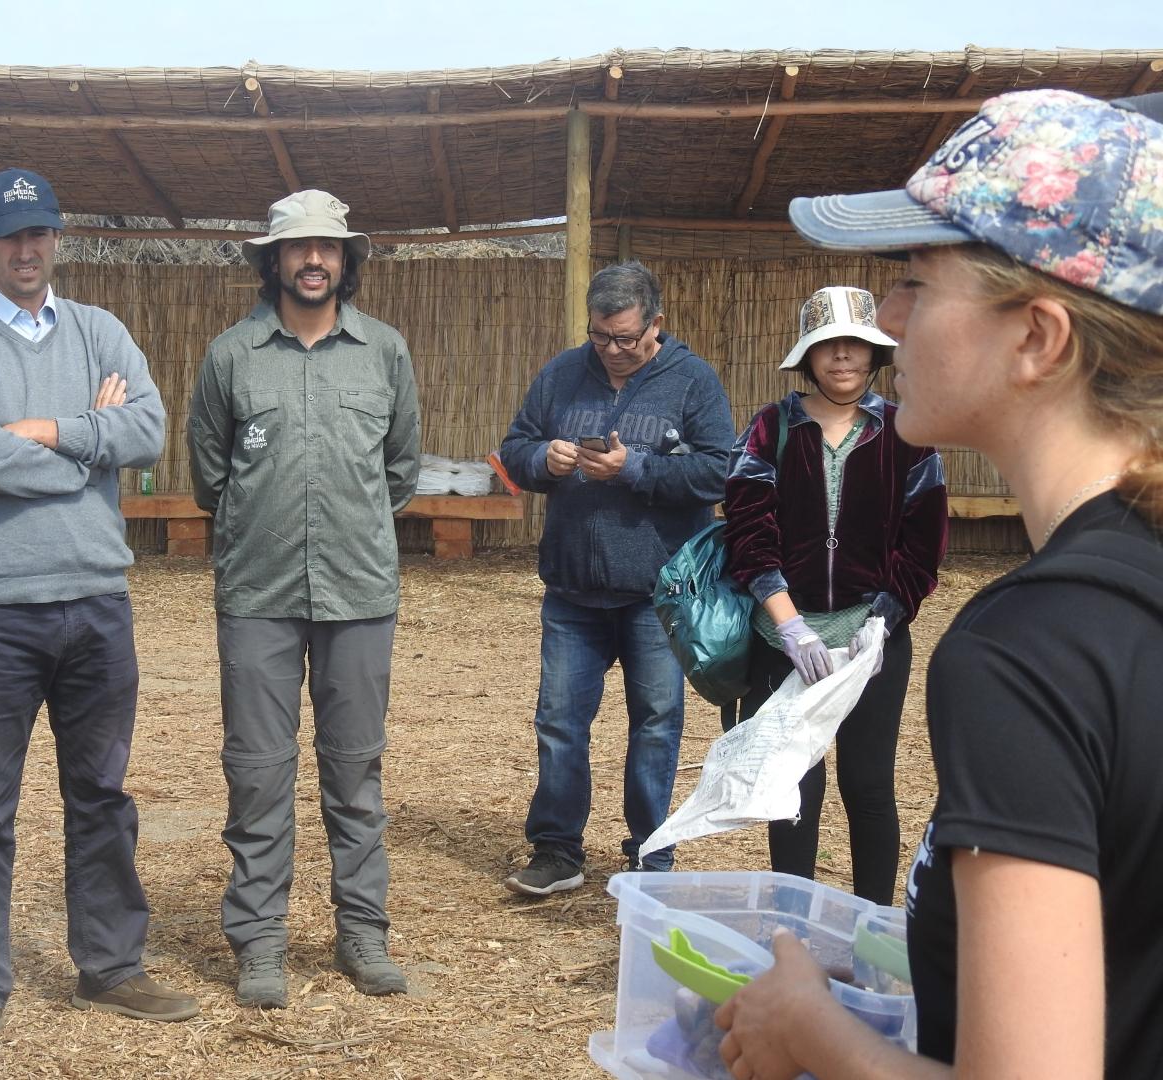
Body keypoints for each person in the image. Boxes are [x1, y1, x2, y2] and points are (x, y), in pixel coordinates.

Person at [714, 89, 1163, 1079]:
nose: (889, 318)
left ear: (1038, 338)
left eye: (918, 279)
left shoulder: (1030, 651)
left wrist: (805, 1026)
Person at [0, 168, 197, 1041]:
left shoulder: (98, 329)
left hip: (97, 603)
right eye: (9, 234)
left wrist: (46, 430)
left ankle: (110, 966)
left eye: (38, 233)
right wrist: (90, 444)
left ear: (56, 238)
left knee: (103, 795)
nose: (26, 249)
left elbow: (148, 434)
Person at [187, 189, 421, 1009]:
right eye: (298, 248)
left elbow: (399, 473)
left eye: (328, 247)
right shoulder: (232, 357)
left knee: (354, 774)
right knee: (257, 772)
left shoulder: (384, 352)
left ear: (346, 259)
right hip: (257, 593)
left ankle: (362, 935)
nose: (314, 260)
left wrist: (346, 528)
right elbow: (209, 475)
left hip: (359, 591)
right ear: (273, 260)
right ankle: (259, 944)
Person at [498, 261, 735, 897]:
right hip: (572, 590)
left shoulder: (692, 380)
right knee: (559, 723)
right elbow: (514, 447)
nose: (610, 351)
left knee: (656, 723)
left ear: (656, 324)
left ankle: (650, 856)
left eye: (625, 339)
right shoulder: (562, 372)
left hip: (659, 595)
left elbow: (720, 473)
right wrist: (541, 459)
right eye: (600, 336)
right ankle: (556, 852)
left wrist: (637, 469)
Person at [722, 286, 947, 905]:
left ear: (873, 352)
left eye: (854, 344)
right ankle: (793, 924)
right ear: (808, 355)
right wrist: (789, 623)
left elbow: (921, 545)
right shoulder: (772, 428)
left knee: (868, 784)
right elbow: (748, 532)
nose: (841, 357)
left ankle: (873, 922)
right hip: (785, 639)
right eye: (828, 345)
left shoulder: (907, 432)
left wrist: (884, 618)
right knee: (794, 784)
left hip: (872, 640)